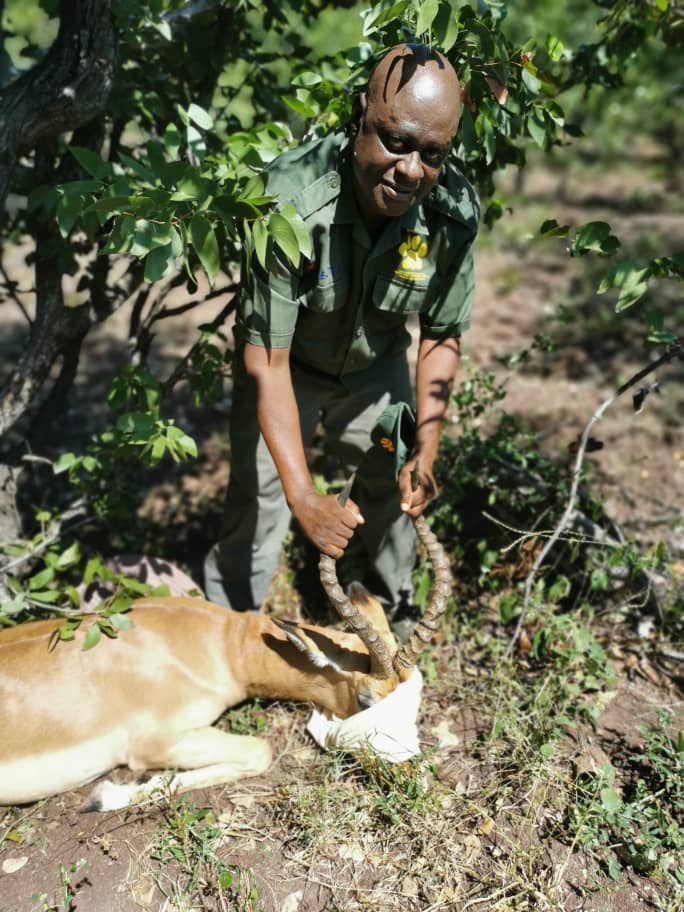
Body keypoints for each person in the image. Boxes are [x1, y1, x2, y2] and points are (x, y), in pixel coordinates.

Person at [204, 43, 479, 619]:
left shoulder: (451, 210)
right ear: (359, 119)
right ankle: (225, 628)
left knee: (396, 480)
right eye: (395, 141)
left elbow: (440, 335)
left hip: (376, 370)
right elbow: (266, 362)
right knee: (260, 501)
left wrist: (424, 452)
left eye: (432, 153)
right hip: (288, 369)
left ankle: (387, 621)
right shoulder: (288, 202)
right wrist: (304, 497)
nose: (410, 169)